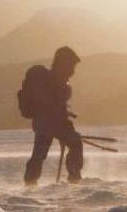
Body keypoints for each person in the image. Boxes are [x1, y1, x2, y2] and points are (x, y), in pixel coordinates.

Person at [20, 46, 83, 186]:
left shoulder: (63, 84)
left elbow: (56, 106)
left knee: (73, 142)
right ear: (63, 63)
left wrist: (63, 115)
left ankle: (74, 178)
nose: (73, 70)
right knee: (41, 154)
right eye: (71, 65)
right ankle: (31, 183)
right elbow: (45, 103)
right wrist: (57, 111)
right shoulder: (46, 80)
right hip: (45, 125)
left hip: (52, 124)